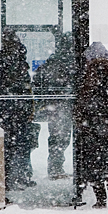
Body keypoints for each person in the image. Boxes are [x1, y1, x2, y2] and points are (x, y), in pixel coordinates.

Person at [74, 42, 108, 208]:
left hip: (90, 123)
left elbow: (84, 99)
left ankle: (100, 198)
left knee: (92, 161)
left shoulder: (89, 72)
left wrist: (80, 116)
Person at [0, 29, 37, 191]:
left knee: (9, 147)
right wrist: (28, 108)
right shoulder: (20, 63)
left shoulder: (1, 62)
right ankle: (20, 176)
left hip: (6, 111)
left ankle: (9, 179)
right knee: (19, 146)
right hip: (17, 111)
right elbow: (26, 89)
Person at [32, 33, 76, 180]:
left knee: (58, 137)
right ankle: (56, 167)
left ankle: (55, 167)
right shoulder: (68, 63)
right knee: (61, 137)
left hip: (55, 104)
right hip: (62, 104)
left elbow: (38, 80)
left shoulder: (52, 62)